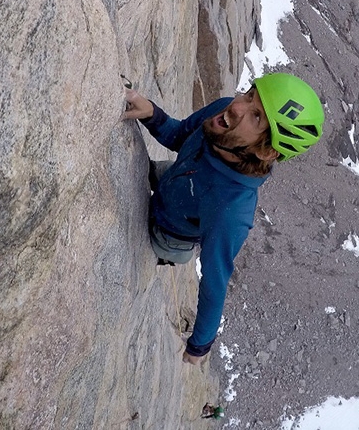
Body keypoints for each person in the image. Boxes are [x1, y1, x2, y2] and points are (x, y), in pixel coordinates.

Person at [122, 72, 325, 364]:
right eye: (250, 95)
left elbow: (215, 283)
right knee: (161, 173)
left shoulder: (231, 209)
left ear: (267, 150)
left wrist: (199, 346)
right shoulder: (223, 114)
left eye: (256, 117)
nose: (238, 107)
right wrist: (152, 113)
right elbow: (180, 135)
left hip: (169, 234)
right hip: (180, 182)